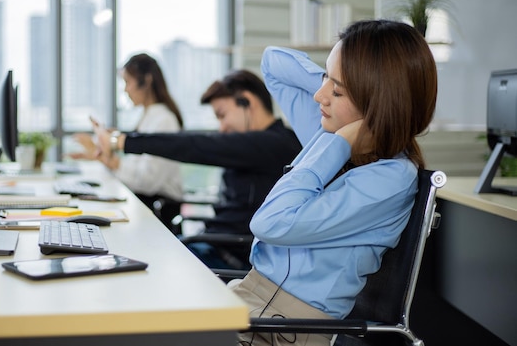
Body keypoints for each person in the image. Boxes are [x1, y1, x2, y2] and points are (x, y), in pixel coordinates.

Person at [229, 19, 438, 346]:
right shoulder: (330, 123)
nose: (318, 96)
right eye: (326, 78)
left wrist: (340, 139)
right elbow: (272, 62)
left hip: (285, 332)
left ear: (377, 104)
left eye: (337, 91)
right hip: (247, 302)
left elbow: (270, 223)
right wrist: (340, 79)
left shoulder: (391, 179)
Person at [94, 69, 303, 269]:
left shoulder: (276, 144)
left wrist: (121, 141)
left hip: (230, 256)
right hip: (213, 243)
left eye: (222, 115)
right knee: (136, 250)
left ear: (247, 101)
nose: (222, 128)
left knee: (144, 260)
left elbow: (196, 145)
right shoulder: (258, 145)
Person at [70, 53, 184, 218]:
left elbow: (148, 182)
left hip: (159, 209)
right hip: (144, 204)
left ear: (147, 80)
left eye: (127, 82)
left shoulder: (164, 120)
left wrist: (112, 160)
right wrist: (105, 156)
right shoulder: (148, 116)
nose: (125, 89)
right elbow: (136, 170)